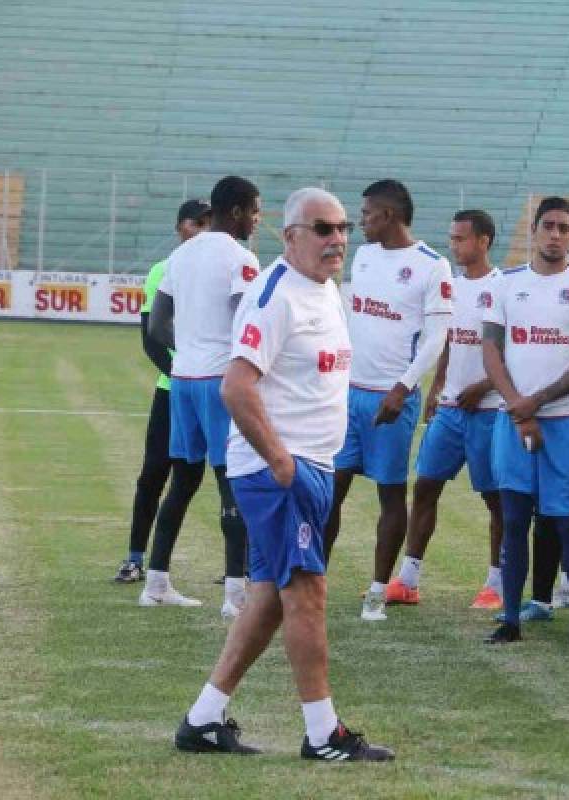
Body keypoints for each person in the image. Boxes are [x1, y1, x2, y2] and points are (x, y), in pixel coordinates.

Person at [173, 188, 391, 762]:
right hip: (281, 473)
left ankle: (203, 718)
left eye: (342, 227)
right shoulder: (274, 296)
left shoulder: (325, 290)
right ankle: (323, 733)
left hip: (310, 466)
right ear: (290, 235)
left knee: (268, 597)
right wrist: (280, 462)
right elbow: (236, 386)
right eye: (322, 229)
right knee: (308, 594)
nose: (337, 238)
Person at [325, 180, 453, 622]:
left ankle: (378, 592)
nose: (360, 222)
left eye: (367, 214)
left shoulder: (432, 266)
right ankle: (313, 583)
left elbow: (436, 339)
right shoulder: (362, 256)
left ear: (390, 215)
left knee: (390, 494)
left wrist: (403, 387)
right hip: (349, 393)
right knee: (330, 488)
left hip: (392, 397)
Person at [481, 196, 569, 646]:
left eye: (564, 228)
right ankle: (510, 618)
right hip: (513, 423)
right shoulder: (505, 283)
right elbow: (491, 350)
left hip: (565, 423)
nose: (555, 235)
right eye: (548, 226)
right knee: (514, 519)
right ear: (534, 230)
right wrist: (519, 407)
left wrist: (535, 402)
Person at [143, 176, 261, 617]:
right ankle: (235, 594)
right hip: (218, 379)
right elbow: (246, 323)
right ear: (235, 212)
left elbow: (156, 327)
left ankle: (155, 582)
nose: (256, 219)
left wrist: (188, 348)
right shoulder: (240, 258)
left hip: (184, 378)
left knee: (183, 481)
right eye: (253, 210)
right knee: (232, 481)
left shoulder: (180, 254)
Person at [392, 210, 504, 609]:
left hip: (491, 410)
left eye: (461, 238)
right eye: (452, 238)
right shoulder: (451, 288)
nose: (454, 245)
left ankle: (496, 583)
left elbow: (518, 353)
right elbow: (449, 341)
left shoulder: (502, 287)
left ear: (484, 241)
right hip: (451, 409)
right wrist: (436, 387)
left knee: (496, 499)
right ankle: (408, 579)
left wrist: (488, 385)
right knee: (424, 487)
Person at [114, 199, 211, 582]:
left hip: (212, 392)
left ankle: (238, 568)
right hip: (174, 392)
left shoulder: (222, 270)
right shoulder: (163, 271)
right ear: (179, 227)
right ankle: (135, 559)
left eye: (208, 223)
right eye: (195, 223)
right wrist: (184, 376)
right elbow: (151, 340)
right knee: (154, 475)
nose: (201, 230)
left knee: (208, 477)